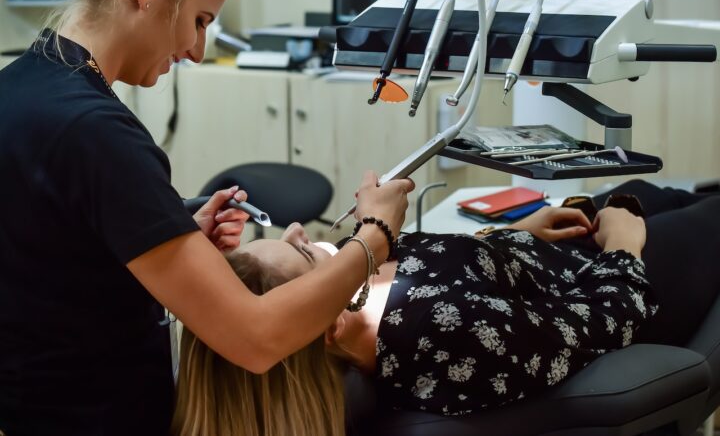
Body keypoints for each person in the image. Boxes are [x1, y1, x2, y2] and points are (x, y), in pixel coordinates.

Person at [0, 0, 412, 435]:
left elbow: (51, 273)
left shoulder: (18, 89)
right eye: (199, 20)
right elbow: (256, 340)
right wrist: (373, 239)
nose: (196, 51)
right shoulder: (98, 133)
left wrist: (168, 242)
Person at [172, 180, 720, 435]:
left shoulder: (361, 295)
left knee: (652, 185)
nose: (298, 230)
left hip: (554, 250)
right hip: (626, 282)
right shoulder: (447, 341)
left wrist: (512, 235)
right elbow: (606, 320)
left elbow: (450, 270)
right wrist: (626, 243)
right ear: (328, 321)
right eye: (299, 251)